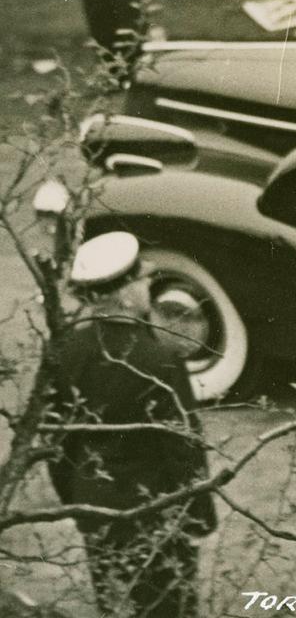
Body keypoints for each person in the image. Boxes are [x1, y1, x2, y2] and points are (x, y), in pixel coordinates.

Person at [48, 231, 217, 618]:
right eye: (141, 279)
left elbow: (54, 444)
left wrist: (77, 502)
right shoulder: (160, 360)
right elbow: (182, 449)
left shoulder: (62, 352)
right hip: (155, 516)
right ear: (124, 293)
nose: (147, 286)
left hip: (97, 511)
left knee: (115, 606)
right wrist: (199, 518)